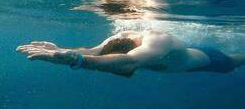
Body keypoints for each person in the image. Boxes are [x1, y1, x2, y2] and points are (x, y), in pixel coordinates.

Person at [16, 30, 245, 77]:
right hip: (179, 60)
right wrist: (61, 52)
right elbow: (94, 52)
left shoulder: (156, 41)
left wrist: (77, 61)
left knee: (233, 63)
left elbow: (129, 61)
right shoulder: (118, 38)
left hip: (208, 59)